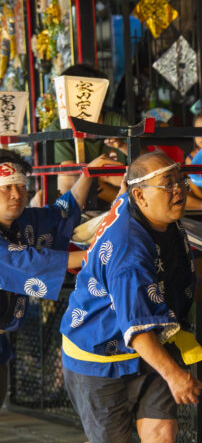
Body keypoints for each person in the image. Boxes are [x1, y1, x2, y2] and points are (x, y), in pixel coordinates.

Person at [53, 152, 202, 443]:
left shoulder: (149, 212)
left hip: (154, 343)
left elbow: (124, 188)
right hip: (99, 354)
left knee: (163, 432)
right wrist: (175, 375)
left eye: (181, 182)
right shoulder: (128, 249)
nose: (179, 192)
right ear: (141, 197)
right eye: (168, 186)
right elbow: (136, 332)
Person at [0, 150, 120, 405]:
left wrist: (88, 172)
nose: (16, 195)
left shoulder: (22, 222)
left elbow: (60, 214)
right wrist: (97, 255)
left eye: (21, 187)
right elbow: (27, 263)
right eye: (6, 188)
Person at [52, 64, 126, 208]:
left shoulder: (115, 121)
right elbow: (68, 175)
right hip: (82, 194)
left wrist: (121, 146)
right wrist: (102, 175)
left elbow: (136, 167)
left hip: (121, 194)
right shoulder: (59, 125)